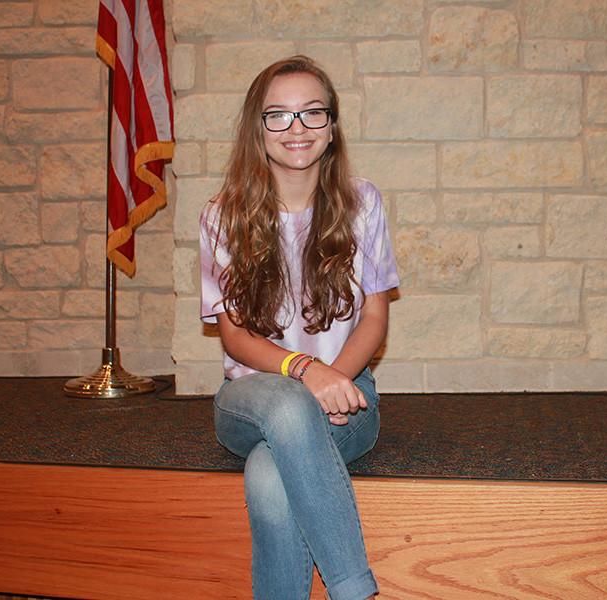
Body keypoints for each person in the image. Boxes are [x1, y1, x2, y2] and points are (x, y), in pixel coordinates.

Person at [199, 55, 399, 600]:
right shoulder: (224, 215)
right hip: (251, 397)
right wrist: (305, 372)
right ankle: (354, 590)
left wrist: (333, 380)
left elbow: (374, 317)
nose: (297, 130)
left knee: (268, 473)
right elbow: (236, 336)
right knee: (288, 406)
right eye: (278, 116)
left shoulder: (363, 203)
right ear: (257, 131)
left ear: (332, 128)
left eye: (313, 114)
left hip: (349, 399)